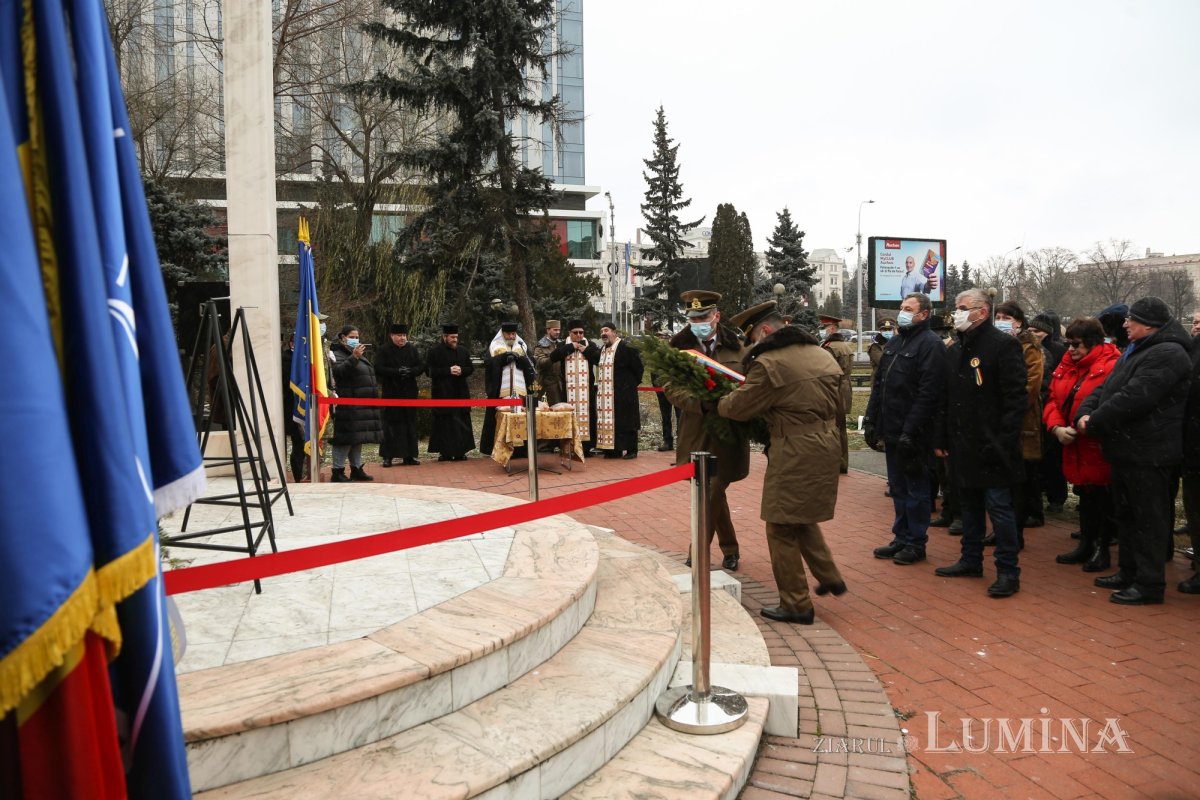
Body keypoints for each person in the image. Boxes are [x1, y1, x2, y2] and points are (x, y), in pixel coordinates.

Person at [717, 300, 845, 625]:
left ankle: (796, 603)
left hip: (795, 449)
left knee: (780, 524)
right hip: (827, 443)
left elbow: (738, 408)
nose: (752, 346)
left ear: (765, 331)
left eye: (753, 339)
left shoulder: (770, 363)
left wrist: (720, 398)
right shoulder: (821, 354)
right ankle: (829, 576)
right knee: (798, 516)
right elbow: (843, 402)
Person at [1077, 296, 1192, 605]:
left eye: (1132, 320)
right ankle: (1128, 572)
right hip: (1128, 449)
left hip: (1150, 452)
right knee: (1126, 515)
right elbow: (1106, 388)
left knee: (1148, 520)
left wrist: (1094, 422)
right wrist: (1083, 412)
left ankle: (1149, 584)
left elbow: (1134, 398)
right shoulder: (1136, 350)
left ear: (1150, 325)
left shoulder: (1169, 353)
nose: (1125, 324)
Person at [934, 289, 1027, 598]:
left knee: (999, 510)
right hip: (963, 444)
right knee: (969, 505)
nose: (956, 313)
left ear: (982, 312)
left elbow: (1016, 399)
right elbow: (947, 399)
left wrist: (1002, 441)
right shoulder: (955, 349)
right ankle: (970, 559)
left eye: (962, 308)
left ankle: (1007, 571)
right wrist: (943, 437)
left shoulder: (1003, 346)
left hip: (993, 445)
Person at [665, 290, 750, 572]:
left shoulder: (737, 348)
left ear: (717, 316)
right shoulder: (679, 348)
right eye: (693, 318)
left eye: (704, 316)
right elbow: (670, 388)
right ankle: (731, 549)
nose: (699, 321)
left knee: (713, 490)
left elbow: (749, 384)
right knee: (712, 493)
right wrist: (699, 403)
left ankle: (697, 550)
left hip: (728, 433)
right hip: (696, 430)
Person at [865, 293, 945, 566]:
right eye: (901, 308)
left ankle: (915, 542)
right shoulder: (896, 341)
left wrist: (910, 430)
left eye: (908, 309)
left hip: (914, 432)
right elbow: (880, 385)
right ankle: (900, 537)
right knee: (898, 487)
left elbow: (928, 394)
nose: (902, 313)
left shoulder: (931, 344)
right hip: (891, 428)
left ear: (924, 314)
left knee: (916, 489)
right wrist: (872, 421)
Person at [1043, 318, 1119, 572]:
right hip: (1072, 441)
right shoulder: (1066, 365)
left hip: (1096, 443)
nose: (1071, 349)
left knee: (1102, 498)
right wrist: (1056, 427)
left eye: (1077, 344)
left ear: (1094, 343)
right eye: (1068, 343)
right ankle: (1086, 543)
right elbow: (1053, 398)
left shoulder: (1111, 365)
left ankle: (1102, 547)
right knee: (1085, 496)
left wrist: (1085, 425)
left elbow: (1110, 404)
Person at [994, 301, 1045, 535]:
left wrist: (1010, 410)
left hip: (1021, 420)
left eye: (1007, 317)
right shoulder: (997, 344)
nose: (1002, 321)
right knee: (1001, 477)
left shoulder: (1029, 347)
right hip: (997, 419)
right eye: (999, 316)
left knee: (1019, 477)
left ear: (1019, 322)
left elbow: (1031, 386)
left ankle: (1016, 528)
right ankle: (1003, 528)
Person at [328, 325, 383, 482]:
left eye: (357, 337)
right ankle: (337, 471)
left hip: (361, 405)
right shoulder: (336, 354)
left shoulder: (359, 355)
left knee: (356, 438)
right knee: (344, 439)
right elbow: (339, 372)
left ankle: (356, 468)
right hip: (347, 405)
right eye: (352, 337)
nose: (355, 340)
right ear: (342, 338)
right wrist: (354, 357)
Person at [1029, 311, 1069, 513]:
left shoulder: (1058, 351)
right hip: (1035, 410)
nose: (1032, 333)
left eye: (1036, 330)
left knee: (1052, 458)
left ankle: (1056, 497)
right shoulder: (1027, 348)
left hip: (1051, 408)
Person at [479, 322, 537, 456]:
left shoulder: (522, 346)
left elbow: (532, 362)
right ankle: (499, 449)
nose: (511, 336)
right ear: (503, 334)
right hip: (501, 392)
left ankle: (520, 451)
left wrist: (521, 360)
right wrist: (502, 358)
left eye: (513, 334)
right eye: (508, 334)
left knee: (520, 419)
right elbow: (487, 363)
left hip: (520, 391)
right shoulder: (495, 346)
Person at [549, 319, 600, 456]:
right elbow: (553, 357)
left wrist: (586, 350)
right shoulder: (562, 344)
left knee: (588, 417)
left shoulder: (591, 344)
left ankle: (587, 448)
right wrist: (571, 347)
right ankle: (568, 447)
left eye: (581, 332)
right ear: (569, 333)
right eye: (575, 332)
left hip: (586, 390)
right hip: (568, 390)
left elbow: (599, 359)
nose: (579, 335)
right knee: (568, 416)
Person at [375, 323, 423, 467]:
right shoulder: (384, 350)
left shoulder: (412, 349)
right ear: (392, 336)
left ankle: (409, 455)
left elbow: (421, 366)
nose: (402, 338)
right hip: (391, 392)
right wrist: (396, 372)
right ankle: (387, 456)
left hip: (409, 392)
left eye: (404, 335)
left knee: (410, 424)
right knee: (390, 425)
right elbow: (378, 368)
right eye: (399, 335)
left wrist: (410, 371)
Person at [426, 323, 475, 462]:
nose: (455, 340)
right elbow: (429, 371)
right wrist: (447, 371)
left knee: (461, 423)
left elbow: (470, 368)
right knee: (445, 424)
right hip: (443, 393)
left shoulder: (463, 351)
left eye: (456, 337)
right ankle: (445, 452)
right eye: (452, 337)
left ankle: (461, 451)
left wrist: (461, 371)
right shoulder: (434, 352)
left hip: (461, 393)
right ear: (444, 337)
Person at [595, 321, 642, 459]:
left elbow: (638, 367)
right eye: (602, 331)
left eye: (606, 330)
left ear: (614, 333)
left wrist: (630, 385)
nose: (604, 333)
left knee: (628, 421)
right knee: (614, 421)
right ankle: (614, 449)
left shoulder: (626, 347)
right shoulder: (603, 350)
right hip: (608, 394)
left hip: (625, 392)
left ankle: (631, 450)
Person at [1178, 308, 1200, 594]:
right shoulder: (1191, 349)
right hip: (1192, 442)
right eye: (1195, 321)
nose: (1196, 326)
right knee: (1195, 506)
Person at [818, 314, 853, 474]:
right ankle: (843, 462)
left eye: (823, 328)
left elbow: (826, 372)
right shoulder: (845, 346)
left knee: (832, 428)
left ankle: (835, 463)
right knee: (841, 428)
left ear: (832, 328)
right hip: (844, 389)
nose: (822, 332)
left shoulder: (830, 347)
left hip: (834, 390)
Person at [281, 336, 307, 482]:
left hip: (301, 406)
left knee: (301, 443)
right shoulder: (286, 359)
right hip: (290, 407)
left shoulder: (304, 359)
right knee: (297, 443)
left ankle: (301, 474)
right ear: (292, 343)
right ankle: (296, 476)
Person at [533, 320, 564, 405]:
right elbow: (539, 363)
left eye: (559, 330)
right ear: (548, 330)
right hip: (544, 383)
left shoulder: (560, 344)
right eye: (555, 330)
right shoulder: (540, 346)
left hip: (558, 384)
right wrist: (553, 357)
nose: (558, 332)